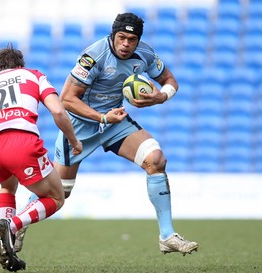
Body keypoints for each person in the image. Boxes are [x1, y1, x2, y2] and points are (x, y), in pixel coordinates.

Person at [16, 12, 199, 256]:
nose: (125, 44)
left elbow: (169, 79)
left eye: (131, 40)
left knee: (156, 160)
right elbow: (67, 99)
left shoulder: (145, 54)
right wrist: (102, 117)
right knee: (59, 193)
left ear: (138, 40)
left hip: (115, 123)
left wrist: (161, 96)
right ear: (113, 35)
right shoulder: (93, 56)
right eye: (121, 38)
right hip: (80, 127)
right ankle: (19, 224)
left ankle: (167, 236)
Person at [0, 44, 83, 272]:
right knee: (56, 197)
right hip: (22, 143)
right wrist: (73, 140)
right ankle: (12, 225)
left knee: (7, 187)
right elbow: (58, 111)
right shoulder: (33, 75)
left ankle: (5, 244)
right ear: (19, 65)